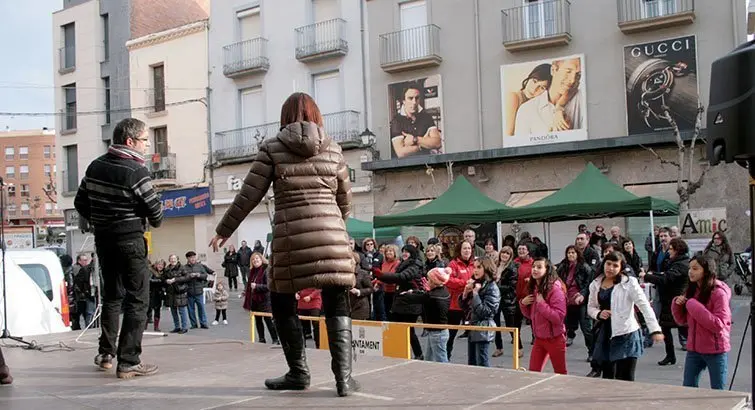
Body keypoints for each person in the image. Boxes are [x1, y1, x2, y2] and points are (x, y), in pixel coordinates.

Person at [209, 92, 359, 397]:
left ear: (285, 117)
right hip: (333, 238)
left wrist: (224, 230)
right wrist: (332, 223)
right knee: (336, 303)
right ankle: (343, 379)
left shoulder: (273, 148)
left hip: (290, 239)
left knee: (281, 300)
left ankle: (299, 373)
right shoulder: (333, 149)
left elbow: (248, 195)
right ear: (317, 116)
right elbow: (345, 201)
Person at [74, 117, 163, 378]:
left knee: (112, 297)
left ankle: (106, 355)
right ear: (130, 141)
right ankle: (129, 361)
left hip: (104, 241)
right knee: (138, 299)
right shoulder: (136, 171)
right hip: (130, 241)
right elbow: (156, 214)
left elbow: (80, 202)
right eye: (145, 140)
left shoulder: (95, 166)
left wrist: (102, 219)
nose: (147, 145)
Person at [589, 252, 663, 381]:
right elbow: (591, 307)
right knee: (607, 376)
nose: (610, 268)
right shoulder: (595, 283)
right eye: (608, 264)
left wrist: (655, 330)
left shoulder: (629, 283)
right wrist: (598, 314)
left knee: (625, 377)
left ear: (621, 268)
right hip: (606, 333)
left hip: (626, 333)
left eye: (615, 265)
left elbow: (644, 306)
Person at [672, 255, 732, 390]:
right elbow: (682, 321)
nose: (690, 272)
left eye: (695, 268)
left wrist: (692, 305)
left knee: (718, 391)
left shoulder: (718, 293)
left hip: (715, 350)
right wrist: (677, 304)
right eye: (689, 268)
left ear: (706, 271)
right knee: (688, 388)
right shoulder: (691, 290)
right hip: (694, 349)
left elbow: (718, 325)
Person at [641, 238, 690, 365]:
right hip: (668, 300)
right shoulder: (674, 262)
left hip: (676, 301)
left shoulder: (682, 264)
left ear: (677, 250)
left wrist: (647, 277)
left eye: (671, 249)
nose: (669, 251)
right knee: (666, 328)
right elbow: (665, 274)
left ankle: (696, 354)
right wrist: (654, 274)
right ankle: (670, 356)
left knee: (684, 329)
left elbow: (667, 278)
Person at [520, 257, 567, 375]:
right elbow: (530, 316)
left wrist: (541, 304)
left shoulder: (555, 289)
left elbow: (558, 317)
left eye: (539, 267)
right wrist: (523, 304)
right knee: (533, 373)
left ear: (547, 270)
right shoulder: (534, 287)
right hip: (539, 339)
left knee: (560, 373)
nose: (535, 269)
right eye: (533, 267)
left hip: (555, 339)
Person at [401, 267, 451, 363]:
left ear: (434, 282)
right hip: (437, 330)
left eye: (429, 280)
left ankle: (445, 375)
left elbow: (418, 298)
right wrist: (415, 291)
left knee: (441, 359)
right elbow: (424, 294)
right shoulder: (443, 290)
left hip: (437, 332)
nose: (427, 281)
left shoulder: (432, 296)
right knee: (429, 358)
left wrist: (407, 294)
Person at [460, 258, 501, 367]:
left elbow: (487, 312)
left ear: (486, 269)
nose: (475, 270)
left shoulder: (492, 287)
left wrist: (475, 294)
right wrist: (465, 293)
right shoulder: (476, 284)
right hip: (473, 327)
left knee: (482, 362)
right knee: (472, 363)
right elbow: (465, 308)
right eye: (474, 267)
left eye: (479, 267)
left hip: (483, 327)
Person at [390, 82, 443, 158]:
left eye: (417, 98)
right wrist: (423, 145)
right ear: (403, 101)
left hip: (427, 164)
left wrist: (415, 140)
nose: (414, 102)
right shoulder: (396, 121)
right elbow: (401, 153)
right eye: (410, 98)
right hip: (407, 167)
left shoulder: (426, 117)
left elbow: (437, 143)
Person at [504, 63, 552, 136]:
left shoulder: (540, 106)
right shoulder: (514, 97)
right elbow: (508, 134)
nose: (534, 89)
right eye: (534, 81)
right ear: (530, 77)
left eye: (542, 87)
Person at [244, 253, 278, 344]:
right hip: (255, 301)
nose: (255, 260)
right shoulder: (252, 271)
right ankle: (261, 339)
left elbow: (269, 286)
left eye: (257, 258)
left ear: (261, 259)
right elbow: (249, 286)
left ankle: (275, 339)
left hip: (265, 300)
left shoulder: (266, 270)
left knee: (268, 321)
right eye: (253, 259)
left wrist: (257, 286)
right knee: (258, 321)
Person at [181, 251, 212, 330]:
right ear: (188, 258)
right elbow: (183, 278)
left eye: (194, 257)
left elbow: (205, 275)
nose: (193, 259)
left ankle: (203, 323)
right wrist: (189, 276)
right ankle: (193, 324)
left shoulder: (200, 266)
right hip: (189, 291)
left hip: (199, 290)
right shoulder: (184, 267)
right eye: (191, 257)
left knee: (201, 308)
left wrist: (199, 275)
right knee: (191, 309)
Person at [163, 254, 189, 334]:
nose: (173, 260)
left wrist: (175, 279)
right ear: (169, 260)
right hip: (171, 292)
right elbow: (163, 278)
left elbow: (187, 277)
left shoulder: (182, 267)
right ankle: (177, 327)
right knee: (173, 311)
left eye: (174, 258)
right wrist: (166, 281)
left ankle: (184, 327)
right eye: (171, 258)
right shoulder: (167, 269)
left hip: (180, 291)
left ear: (177, 259)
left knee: (182, 311)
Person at [147, 260, 166, 332]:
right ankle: (144, 326)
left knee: (157, 310)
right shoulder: (151, 271)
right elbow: (149, 280)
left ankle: (156, 327)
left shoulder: (164, 272)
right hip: (151, 293)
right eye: (159, 264)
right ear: (156, 265)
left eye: (162, 265)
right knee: (148, 310)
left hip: (159, 294)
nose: (160, 266)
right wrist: (159, 281)